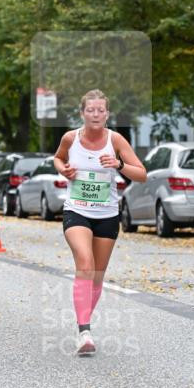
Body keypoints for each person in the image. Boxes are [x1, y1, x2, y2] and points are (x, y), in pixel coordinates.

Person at [52, 89, 146, 356]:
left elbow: (141, 175)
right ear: (82, 113)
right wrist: (63, 169)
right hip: (77, 211)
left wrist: (118, 165)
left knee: (97, 277)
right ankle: (84, 332)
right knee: (85, 263)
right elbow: (58, 158)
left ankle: (84, 324)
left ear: (107, 113)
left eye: (100, 110)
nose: (95, 114)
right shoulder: (71, 138)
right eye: (90, 110)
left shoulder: (115, 140)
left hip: (106, 215)